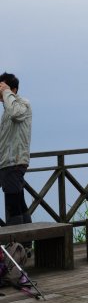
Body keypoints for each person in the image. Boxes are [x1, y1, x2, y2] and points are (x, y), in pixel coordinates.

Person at [0, 73, 33, 234]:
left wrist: (6, 92)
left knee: (12, 205)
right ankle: (25, 245)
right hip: (8, 162)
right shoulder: (8, 109)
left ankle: (17, 243)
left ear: (13, 89)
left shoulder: (22, 104)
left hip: (14, 162)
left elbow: (16, 114)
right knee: (19, 202)